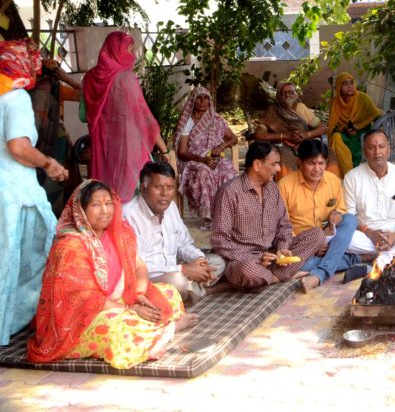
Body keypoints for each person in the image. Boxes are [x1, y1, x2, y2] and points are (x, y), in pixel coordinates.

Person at [27, 181, 198, 369]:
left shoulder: (118, 234)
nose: (104, 211)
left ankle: (155, 330)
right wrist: (129, 308)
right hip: (82, 318)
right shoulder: (70, 246)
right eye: (95, 205)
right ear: (81, 210)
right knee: (117, 331)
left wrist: (139, 296)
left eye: (108, 203)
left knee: (169, 293)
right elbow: (87, 300)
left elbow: (140, 267)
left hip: (124, 301)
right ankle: (167, 329)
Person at [0, 38, 67, 346]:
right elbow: (18, 146)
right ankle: (13, 321)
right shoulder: (15, 98)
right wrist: (48, 163)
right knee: (39, 254)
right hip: (14, 195)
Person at [210, 141, 325, 291]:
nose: (278, 168)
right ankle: (277, 276)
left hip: (272, 256)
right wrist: (256, 259)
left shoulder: (272, 189)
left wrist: (283, 249)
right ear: (257, 165)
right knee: (248, 271)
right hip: (241, 261)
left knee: (317, 235)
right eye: (274, 164)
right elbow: (219, 240)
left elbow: (284, 225)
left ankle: (267, 279)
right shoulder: (230, 192)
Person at [83, 31, 169, 202]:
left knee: (105, 191)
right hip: (128, 146)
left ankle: (109, 226)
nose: (134, 55)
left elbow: (82, 114)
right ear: (117, 51)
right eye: (130, 50)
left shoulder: (89, 78)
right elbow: (145, 118)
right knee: (131, 195)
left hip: (102, 146)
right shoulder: (127, 79)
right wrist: (164, 149)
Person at [123, 162, 226, 305]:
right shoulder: (128, 215)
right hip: (147, 277)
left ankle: (189, 291)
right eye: (158, 187)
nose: (165, 194)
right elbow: (138, 265)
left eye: (170, 187)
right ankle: (205, 291)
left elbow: (184, 244)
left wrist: (199, 260)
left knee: (217, 262)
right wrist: (184, 269)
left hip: (174, 269)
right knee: (179, 281)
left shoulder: (171, 207)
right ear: (143, 186)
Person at [278, 139, 361, 293]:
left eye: (321, 163)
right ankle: (352, 260)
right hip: (301, 244)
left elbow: (341, 210)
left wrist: (337, 214)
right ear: (299, 163)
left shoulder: (333, 181)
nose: (317, 169)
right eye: (311, 163)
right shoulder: (284, 186)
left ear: (326, 162)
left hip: (330, 238)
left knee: (350, 219)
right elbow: (282, 225)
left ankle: (320, 273)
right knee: (299, 264)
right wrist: (314, 246)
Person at [343, 130, 395, 257]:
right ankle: (393, 256)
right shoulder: (352, 177)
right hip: (365, 234)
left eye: (381, 147)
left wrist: (394, 236)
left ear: (389, 149)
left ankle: (378, 255)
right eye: (371, 148)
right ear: (364, 152)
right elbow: (349, 217)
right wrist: (370, 232)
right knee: (347, 240)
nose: (377, 153)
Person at [173, 86, 238, 230]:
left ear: (210, 101)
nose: (203, 101)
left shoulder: (216, 119)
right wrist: (203, 160)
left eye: (206, 98)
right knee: (204, 172)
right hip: (193, 161)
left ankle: (228, 216)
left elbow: (234, 138)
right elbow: (182, 152)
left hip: (215, 159)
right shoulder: (188, 122)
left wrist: (221, 147)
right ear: (193, 101)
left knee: (229, 171)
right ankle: (210, 218)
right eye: (199, 98)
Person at [256, 81, 340, 179]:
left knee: (329, 154)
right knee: (284, 158)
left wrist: (305, 135)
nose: (287, 95)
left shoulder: (301, 108)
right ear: (278, 96)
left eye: (291, 92)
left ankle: (330, 186)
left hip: (305, 143)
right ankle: (288, 190)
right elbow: (259, 134)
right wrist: (286, 136)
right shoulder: (272, 110)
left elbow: (322, 128)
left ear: (296, 94)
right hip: (283, 145)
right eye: (283, 93)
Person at [31, 58, 82, 216]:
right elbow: (84, 94)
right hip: (55, 142)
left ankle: (44, 213)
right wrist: (66, 78)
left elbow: (85, 95)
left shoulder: (37, 88)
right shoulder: (50, 88)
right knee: (54, 180)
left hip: (37, 142)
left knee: (45, 181)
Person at [327, 72, 382, 176]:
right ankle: (345, 173)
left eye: (351, 83)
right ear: (339, 87)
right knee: (335, 137)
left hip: (363, 133)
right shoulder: (335, 102)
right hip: (345, 133)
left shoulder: (363, 98)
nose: (349, 86)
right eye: (345, 83)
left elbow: (378, 118)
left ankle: (350, 174)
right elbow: (334, 125)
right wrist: (344, 129)